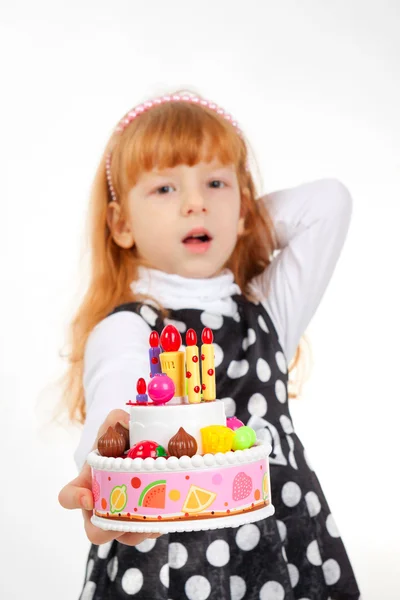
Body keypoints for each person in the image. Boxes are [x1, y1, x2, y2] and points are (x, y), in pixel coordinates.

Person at [58, 90, 361, 599]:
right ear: (121, 225)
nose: (196, 202)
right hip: (167, 556)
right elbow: (115, 400)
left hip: (282, 542)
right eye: (165, 189)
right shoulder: (128, 327)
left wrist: (239, 229)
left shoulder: (267, 309)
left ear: (244, 208)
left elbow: (330, 203)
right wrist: (106, 459)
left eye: (215, 183)